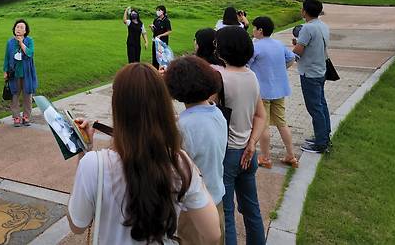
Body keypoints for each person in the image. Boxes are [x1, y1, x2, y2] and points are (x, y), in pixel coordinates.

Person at [67, 63, 221, 244]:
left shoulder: (94, 164)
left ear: (117, 105)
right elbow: (212, 234)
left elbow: (77, 225)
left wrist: (84, 152)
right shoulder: (179, 163)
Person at [165, 56, 228, 245]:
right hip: (216, 198)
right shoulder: (217, 113)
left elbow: (174, 170)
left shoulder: (183, 127)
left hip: (192, 208)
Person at [215, 26, 266, 245]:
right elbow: (261, 115)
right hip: (248, 151)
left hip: (227, 153)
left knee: (226, 215)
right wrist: (253, 142)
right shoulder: (252, 76)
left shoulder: (220, 78)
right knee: (251, 207)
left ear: (223, 50)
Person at [248, 16, 298, 169]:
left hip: (262, 92)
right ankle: (291, 155)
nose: (252, 30)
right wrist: (281, 69)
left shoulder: (256, 47)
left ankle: (265, 157)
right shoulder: (278, 44)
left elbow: (246, 64)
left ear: (260, 30)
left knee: (263, 125)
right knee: (282, 123)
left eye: (254, 28)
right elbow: (291, 58)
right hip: (280, 89)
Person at [292, 0, 331, 154]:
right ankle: (324, 135)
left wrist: (291, 49)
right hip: (320, 70)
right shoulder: (323, 26)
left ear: (304, 11)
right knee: (321, 105)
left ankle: (320, 143)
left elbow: (299, 51)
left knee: (314, 108)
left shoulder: (307, 28)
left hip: (309, 73)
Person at [3, 19, 38, 127]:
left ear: (25, 31)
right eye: (17, 27)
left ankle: (26, 116)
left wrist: (21, 43)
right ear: (14, 29)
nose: (19, 29)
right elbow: (7, 57)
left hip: (27, 72)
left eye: (21, 27)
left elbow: (30, 53)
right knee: (14, 94)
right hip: (14, 73)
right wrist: (5, 71)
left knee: (27, 95)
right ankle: (16, 117)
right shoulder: (9, 42)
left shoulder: (29, 40)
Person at [151, 5, 172, 69]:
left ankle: (162, 71)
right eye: (157, 10)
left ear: (163, 11)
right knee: (155, 56)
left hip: (162, 42)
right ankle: (155, 70)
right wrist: (152, 28)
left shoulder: (166, 20)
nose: (157, 12)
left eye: (159, 10)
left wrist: (161, 35)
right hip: (155, 40)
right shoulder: (156, 20)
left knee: (162, 57)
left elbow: (169, 31)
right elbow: (154, 31)